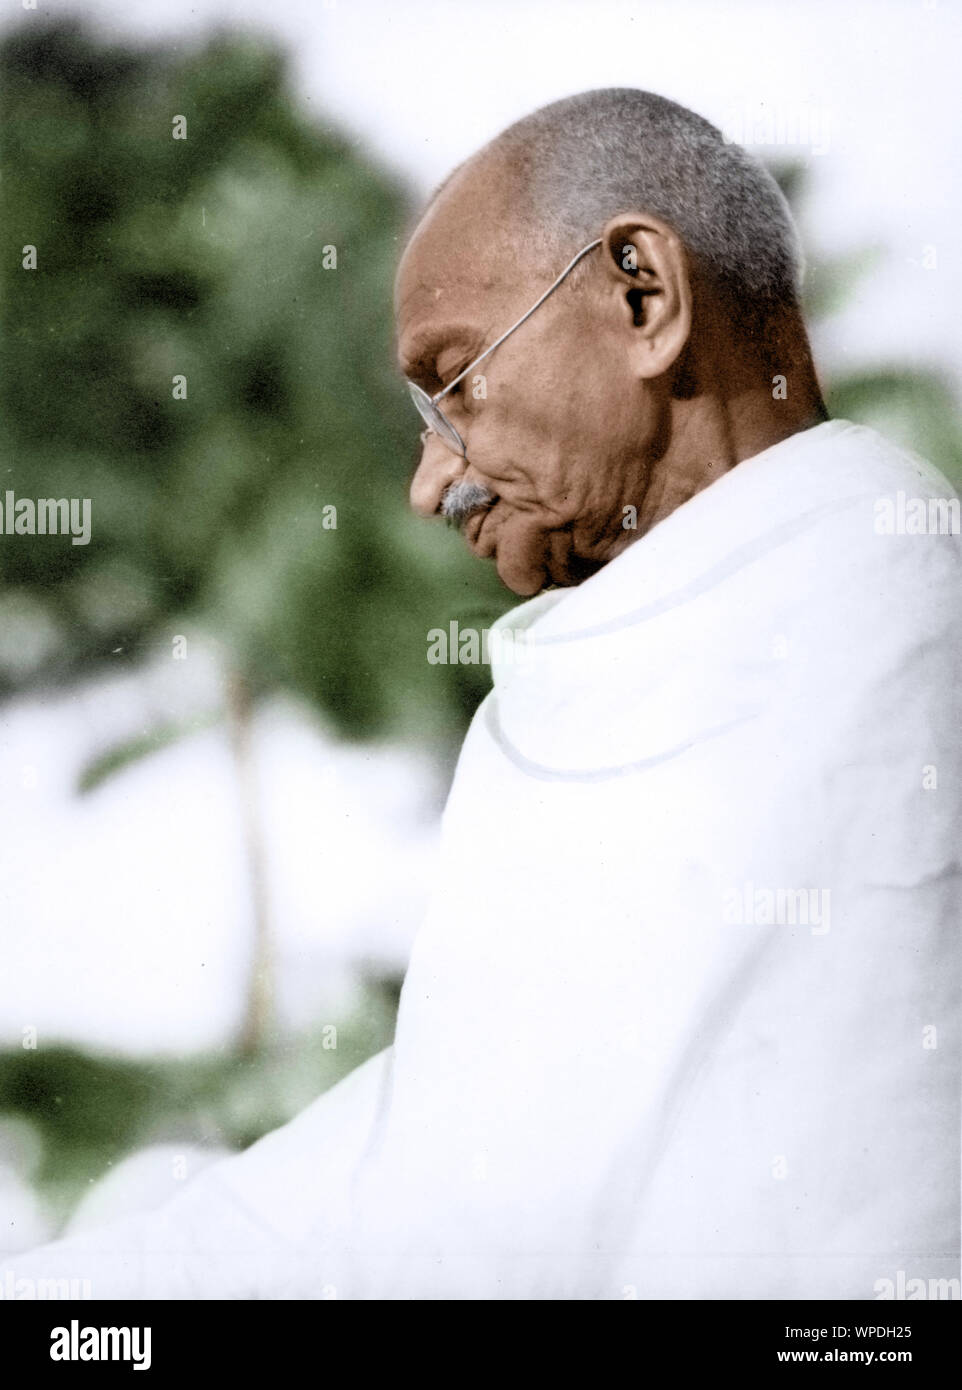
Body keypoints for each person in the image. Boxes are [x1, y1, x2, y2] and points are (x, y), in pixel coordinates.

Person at [12, 88, 961, 1301]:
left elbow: (509, 1216)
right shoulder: (669, 638)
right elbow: (446, 1153)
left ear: (639, 294)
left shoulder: (867, 606)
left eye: (452, 386)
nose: (428, 484)